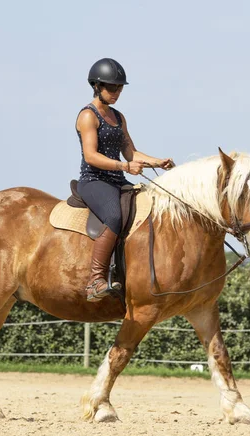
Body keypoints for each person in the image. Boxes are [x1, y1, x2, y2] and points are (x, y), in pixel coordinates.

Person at [76, 57, 174, 302]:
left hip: (118, 180)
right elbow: (91, 156)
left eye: (119, 88)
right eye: (111, 87)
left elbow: (131, 152)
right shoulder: (88, 116)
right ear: (96, 86)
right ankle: (95, 280)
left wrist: (157, 162)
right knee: (114, 215)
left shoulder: (119, 118)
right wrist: (124, 166)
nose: (116, 92)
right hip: (94, 181)